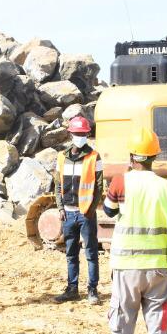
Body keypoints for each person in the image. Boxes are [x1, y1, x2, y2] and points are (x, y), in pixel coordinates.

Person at [99, 128, 167, 334]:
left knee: (123, 320)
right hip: (159, 266)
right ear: (155, 156)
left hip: (127, 266)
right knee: (158, 324)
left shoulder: (121, 182)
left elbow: (108, 211)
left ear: (132, 156)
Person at [53, 116, 104, 305]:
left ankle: (92, 290)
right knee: (71, 253)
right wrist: (60, 208)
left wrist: (90, 210)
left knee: (91, 253)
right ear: (70, 134)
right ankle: (72, 289)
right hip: (67, 213)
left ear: (87, 135)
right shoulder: (61, 157)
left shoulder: (94, 157)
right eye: (76, 134)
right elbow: (58, 186)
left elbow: (99, 187)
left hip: (85, 214)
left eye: (82, 134)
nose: (79, 137)